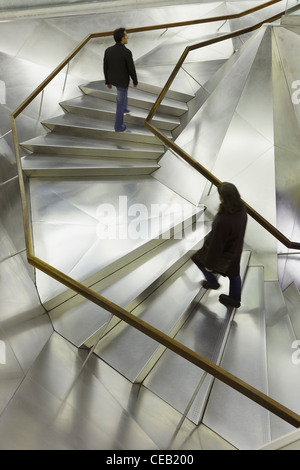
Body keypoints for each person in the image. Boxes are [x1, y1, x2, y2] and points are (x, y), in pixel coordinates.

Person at [192, 182, 247, 308]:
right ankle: (234, 299)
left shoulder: (224, 219)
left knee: (197, 259)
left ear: (223, 197)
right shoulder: (242, 208)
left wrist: (210, 266)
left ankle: (212, 282)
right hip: (236, 249)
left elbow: (217, 245)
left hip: (224, 253)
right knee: (234, 274)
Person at [103, 27, 138, 132]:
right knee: (120, 101)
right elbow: (131, 68)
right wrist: (135, 81)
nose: (127, 37)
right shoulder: (126, 52)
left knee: (122, 96)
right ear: (122, 38)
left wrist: (107, 81)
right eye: (126, 35)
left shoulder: (108, 50)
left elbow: (105, 67)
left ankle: (125, 108)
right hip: (122, 81)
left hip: (113, 79)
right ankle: (118, 126)